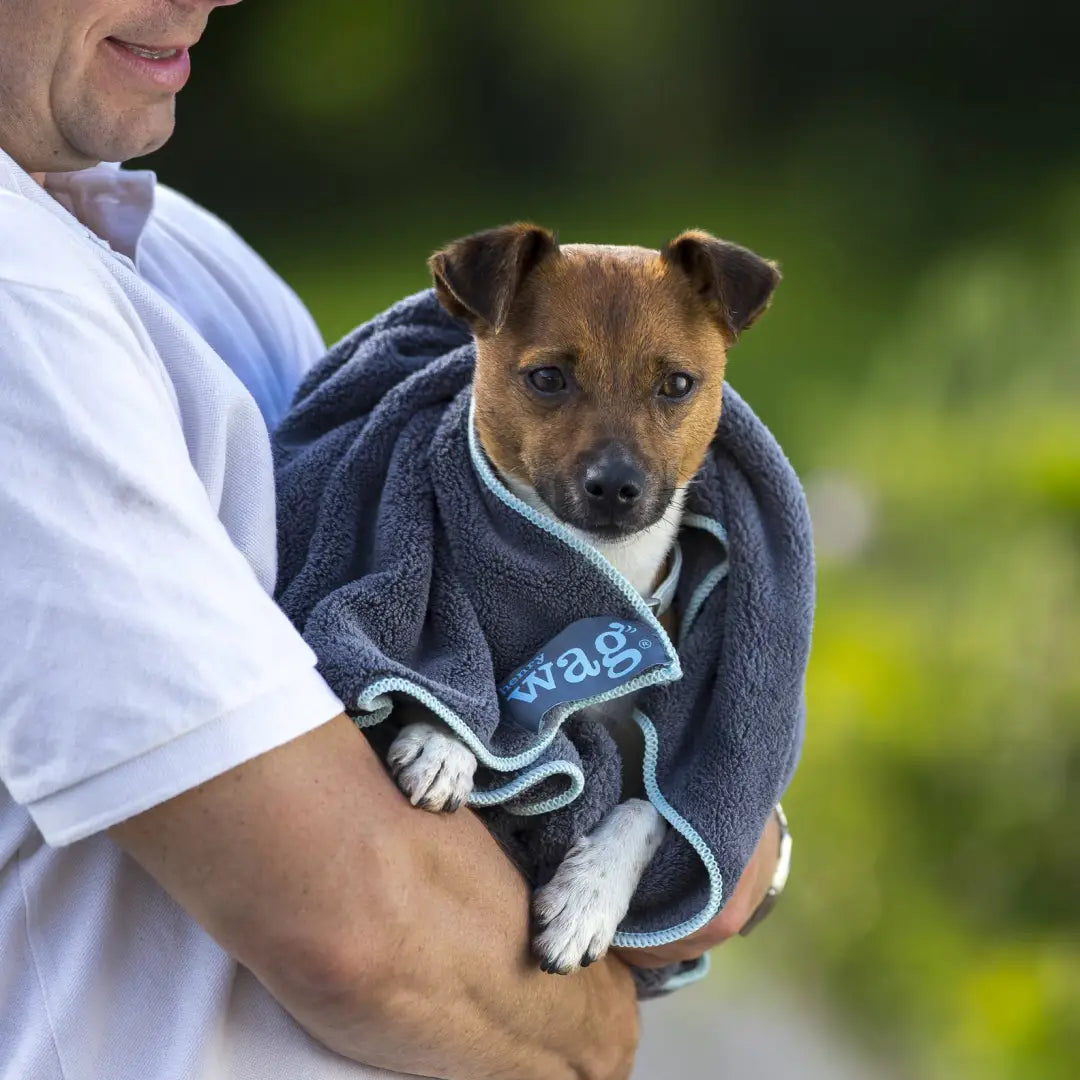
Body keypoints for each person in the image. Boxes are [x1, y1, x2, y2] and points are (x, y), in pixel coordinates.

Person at [0, 2, 788, 1079]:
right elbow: (358, 930)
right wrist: (599, 1034)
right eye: (550, 382)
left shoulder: (175, 247)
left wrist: (734, 825)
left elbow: (401, 573)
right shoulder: (19, 310)